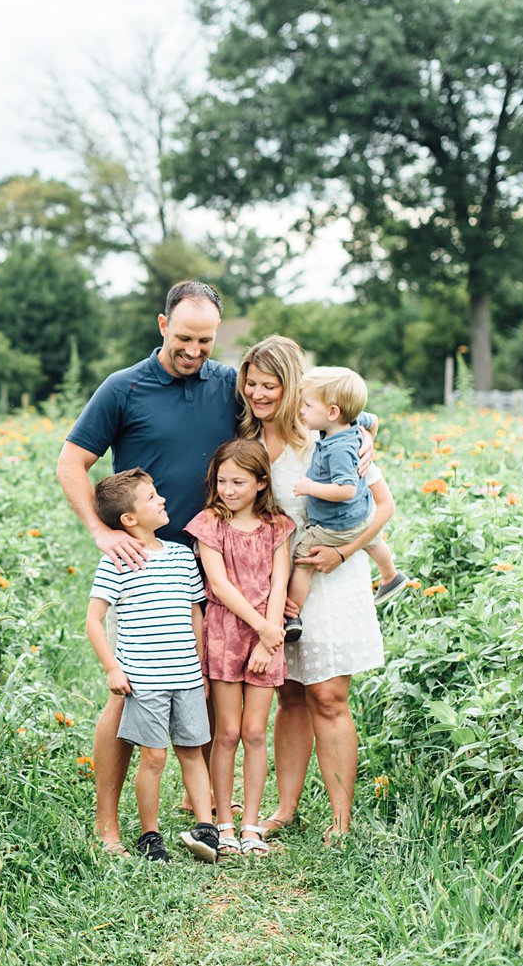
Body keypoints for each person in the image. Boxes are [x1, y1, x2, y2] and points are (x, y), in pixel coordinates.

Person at [57, 281, 234, 851]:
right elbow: (71, 462)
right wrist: (101, 530)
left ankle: (198, 806)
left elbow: (302, 398)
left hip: (209, 558)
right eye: (184, 337)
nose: (194, 350)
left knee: (197, 682)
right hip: (141, 565)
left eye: (205, 340)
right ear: (162, 325)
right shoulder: (124, 388)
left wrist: (365, 432)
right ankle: (109, 824)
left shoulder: (228, 384)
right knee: (127, 693)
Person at [235, 336, 394, 846]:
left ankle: (342, 818)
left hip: (333, 569)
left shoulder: (329, 437)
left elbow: (383, 507)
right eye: (252, 385)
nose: (260, 395)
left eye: (272, 386)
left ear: (293, 388)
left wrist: (343, 554)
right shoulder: (248, 441)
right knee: (290, 694)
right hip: (278, 577)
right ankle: (285, 809)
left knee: (330, 695)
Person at [84, 468, 219, 862]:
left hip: (187, 677)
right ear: (128, 519)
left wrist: (200, 665)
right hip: (144, 680)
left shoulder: (180, 556)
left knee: (193, 749)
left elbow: (197, 614)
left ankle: (205, 828)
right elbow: (93, 619)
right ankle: (150, 835)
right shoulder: (118, 562)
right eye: (151, 497)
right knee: (155, 757)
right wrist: (113, 668)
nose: (162, 500)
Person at [183, 439, 295, 857]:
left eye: (238, 482)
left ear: (261, 482)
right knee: (227, 731)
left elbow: (280, 580)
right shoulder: (209, 524)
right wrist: (263, 627)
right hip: (229, 632)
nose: (227, 490)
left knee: (254, 732)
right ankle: (223, 822)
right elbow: (220, 584)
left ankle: (251, 824)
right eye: (222, 481)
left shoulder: (278, 527)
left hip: (268, 632)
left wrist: (270, 637)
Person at [282, 367, 405, 637]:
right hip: (361, 514)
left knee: (303, 560)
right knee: (374, 540)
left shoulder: (338, 449)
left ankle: (291, 615)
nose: (301, 410)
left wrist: (310, 487)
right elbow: (372, 420)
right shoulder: (350, 423)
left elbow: (346, 489)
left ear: (333, 413)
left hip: (335, 524)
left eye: (307, 405)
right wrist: (370, 434)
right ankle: (390, 575)